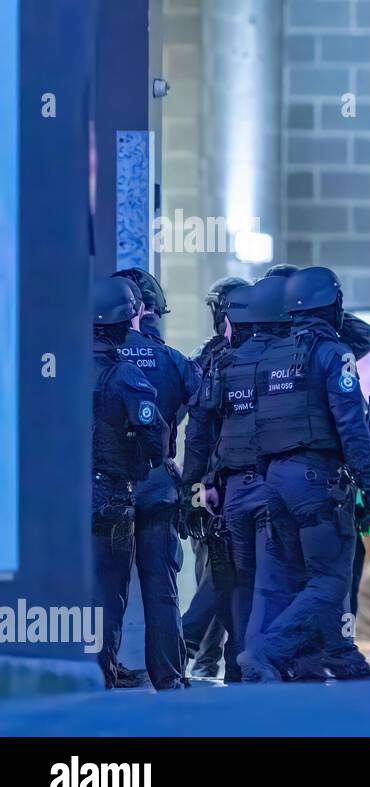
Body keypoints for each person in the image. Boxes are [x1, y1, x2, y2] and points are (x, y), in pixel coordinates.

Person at [237, 266, 370, 681]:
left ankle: (334, 658)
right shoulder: (332, 354)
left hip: (274, 480)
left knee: (288, 577)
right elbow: (352, 426)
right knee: (329, 581)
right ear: (332, 304)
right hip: (316, 481)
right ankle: (265, 652)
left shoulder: (271, 356)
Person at [109, 268, 199, 690]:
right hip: (157, 484)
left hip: (107, 484)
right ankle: (170, 674)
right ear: (147, 310)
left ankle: (100, 670)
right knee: (161, 585)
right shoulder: (173, 361)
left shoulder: (95, 360)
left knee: (105, 585)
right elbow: (203, 411)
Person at [91, 278, 172, 688]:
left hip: (60, 495)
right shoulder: (125, 375)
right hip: (109, 494)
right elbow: (154, 435)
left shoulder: (56, 368)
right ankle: (100, 668)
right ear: (127, 322)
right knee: (109, 588)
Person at [180, 275, 251, 678]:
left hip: (215, 482)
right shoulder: (217, 358)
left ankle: (212, 657)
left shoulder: (214, 358)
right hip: (224, 483)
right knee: (223, 570)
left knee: (222, 570)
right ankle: (205, 652)